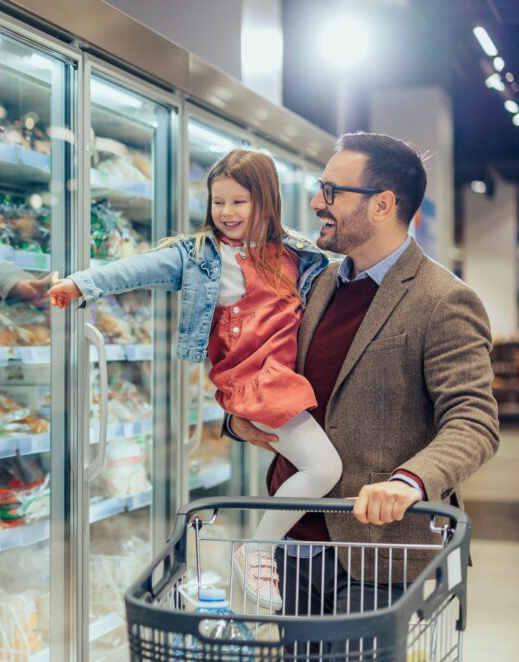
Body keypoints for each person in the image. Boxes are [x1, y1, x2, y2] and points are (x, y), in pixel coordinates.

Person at [225, 132, 499, 630]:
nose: (314, 202)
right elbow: (269, 367)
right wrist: (236, 420)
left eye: (332, 191)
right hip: (295, 546)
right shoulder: (315, 284)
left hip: (377, 551)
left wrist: (410, 481)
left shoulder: (444, 300)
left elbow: (474, 422)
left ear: (383, 205)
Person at [48, 148, 332, 610]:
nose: (226, 213)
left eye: (238, 202)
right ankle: (259, 551)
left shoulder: (297, 252)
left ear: (266, 199)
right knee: (323, 468)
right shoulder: (200, 256)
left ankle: (262, 550)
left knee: (316, 466)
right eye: (218, 202)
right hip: (255, 380)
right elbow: (137, 268)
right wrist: (82, 284)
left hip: (285, 378)